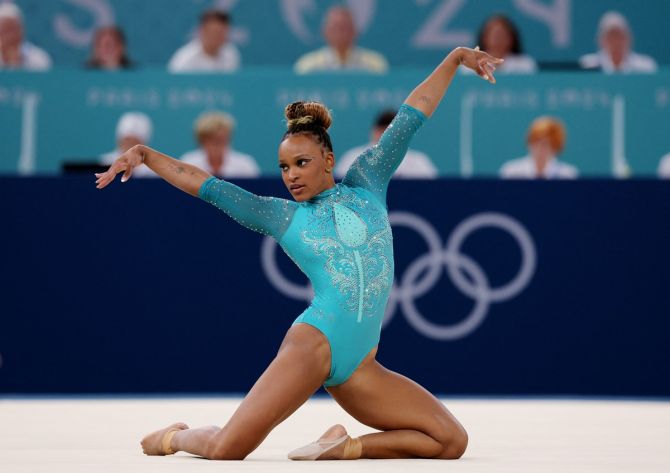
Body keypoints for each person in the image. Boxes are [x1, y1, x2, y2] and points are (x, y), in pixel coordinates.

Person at [95, 45, 503, 461]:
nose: (291, 176)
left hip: (361, 365)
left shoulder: (367, 181)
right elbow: (207, 185)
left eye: (301, 163)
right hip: (314, 344)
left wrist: (453, 60)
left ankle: (346, 446)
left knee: (451, 441)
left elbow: (412, 114)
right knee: (226, 449)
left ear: (328, 160)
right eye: (284, 167)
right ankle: (176, 436)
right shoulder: (281, 216)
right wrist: (146, 155)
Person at [335, 109, 437, 179]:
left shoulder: (418, 161)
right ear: (373, 132)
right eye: (382, 130)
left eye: (392, 131)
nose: (387, 137)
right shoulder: (352, 158)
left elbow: (432, 190)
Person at [294, 6, 388, 74]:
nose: (340, 33)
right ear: (325, 32)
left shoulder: (375, 65)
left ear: (355, 31)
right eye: (335, 28)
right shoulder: (307, 66)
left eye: (345, 27)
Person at [180, 111, 260, 178]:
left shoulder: (245, 165)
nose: (217, 144)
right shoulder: (188, 162)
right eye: (212, 139)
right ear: (201, 141)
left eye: (222, 139)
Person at [500, 116, 578, 179]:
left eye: (545, 144)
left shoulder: (568, 175)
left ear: (556, 147)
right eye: (535, 142)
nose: (539, 148)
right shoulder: (511, 172)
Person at [579, 11, 657, 74]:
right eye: (610, 36)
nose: (615, 41)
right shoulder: (587, 65)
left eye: (619, 36)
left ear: (628, 39)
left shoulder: (645, 67)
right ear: (601, 40)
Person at [168, 10, 240, 73]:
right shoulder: (184, 60)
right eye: (213, 32)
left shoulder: (232, 54)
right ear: (201, 31)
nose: (217, 37)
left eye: (221, 33)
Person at [0, 3, 51, 71]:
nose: (9, 36)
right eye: (5, 31)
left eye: (12, 30)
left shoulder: (38, 58)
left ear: (21, 30)